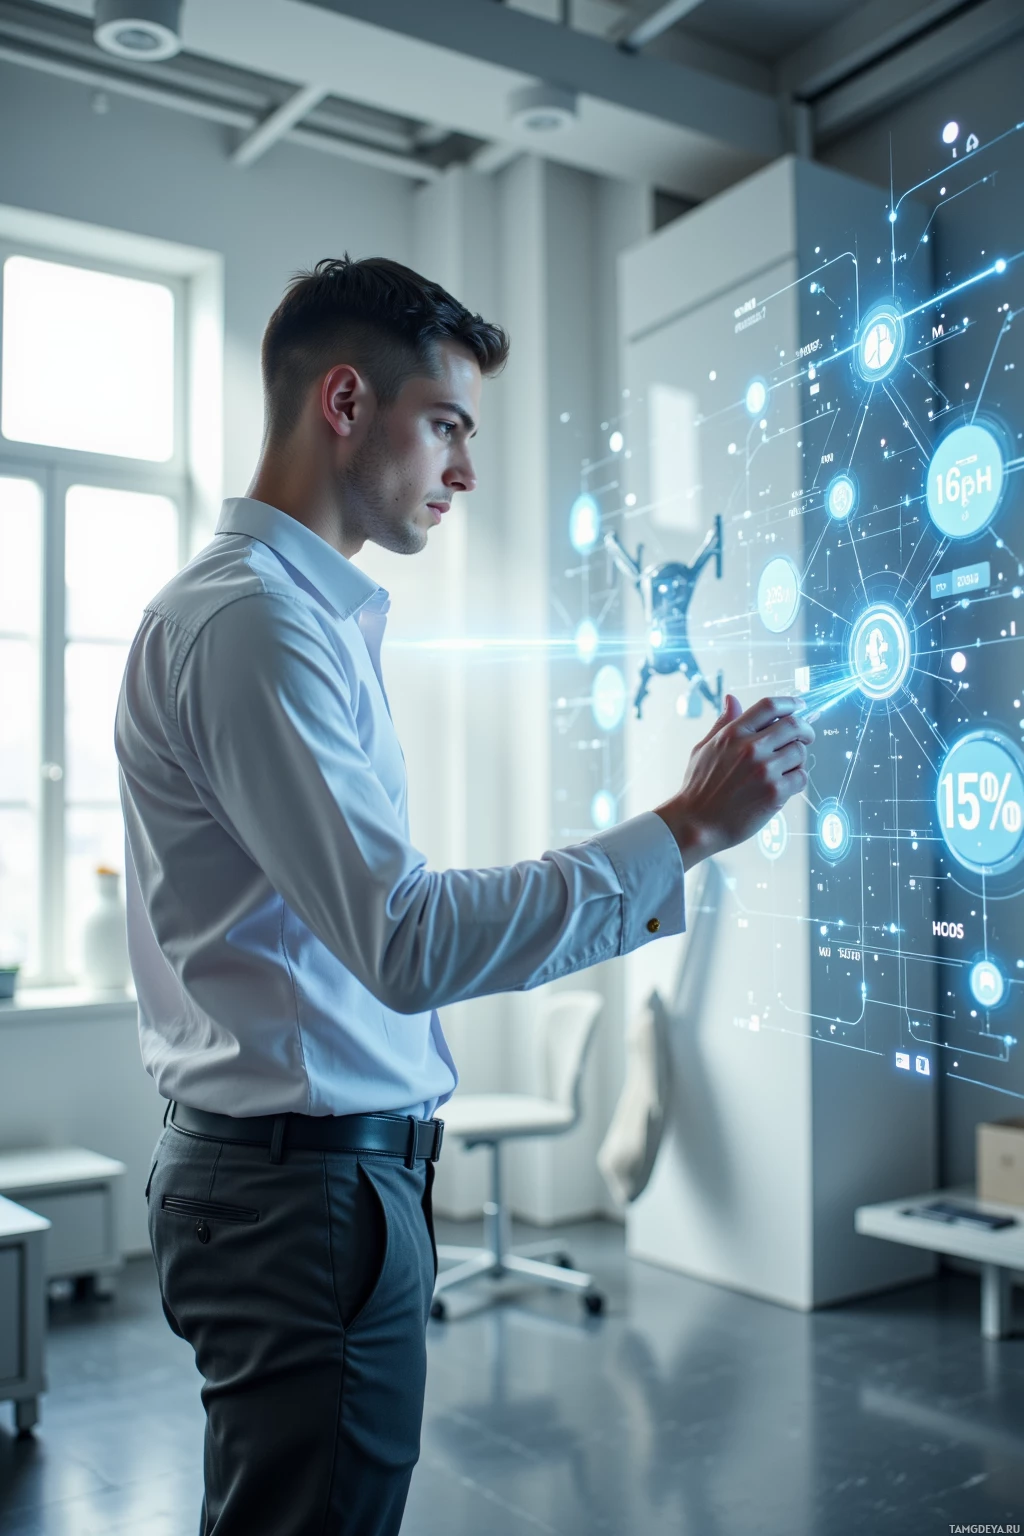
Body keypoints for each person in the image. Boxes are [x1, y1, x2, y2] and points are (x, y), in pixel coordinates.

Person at [116, 255, 813, 1536]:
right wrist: (685, 828)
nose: (465, 470)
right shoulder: (255, 628)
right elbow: (406, 938)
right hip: (301, 1197)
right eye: (446, 424)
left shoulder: (285, 623)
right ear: (343, 403)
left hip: (301, 1187)